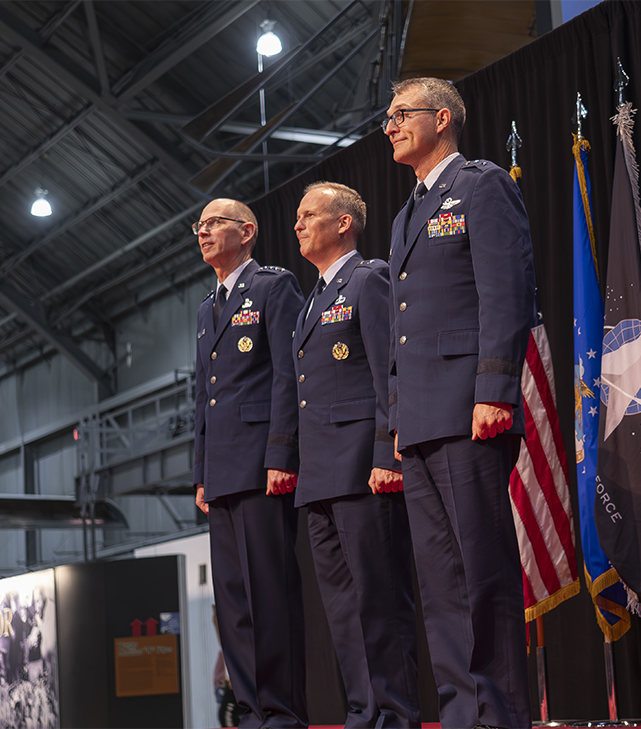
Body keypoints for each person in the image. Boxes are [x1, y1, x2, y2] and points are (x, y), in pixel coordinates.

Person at [384, 77, 536, 728]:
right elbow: (402, 328)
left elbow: (507, 292)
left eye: (400, 114)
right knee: (441, 586)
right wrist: (395, 419)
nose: (388, 125)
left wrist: (495, 386)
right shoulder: (405, 215)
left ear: (440, 118)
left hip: (469, 409)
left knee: (482, 576)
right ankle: (461, 714)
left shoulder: (480, 185)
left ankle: (498, 716)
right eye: (386, 117)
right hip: (418, 421)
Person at [291, 182, 420, 728]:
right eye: (296, 217)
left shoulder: (368, 281)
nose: (298, 225)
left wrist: (386, 454)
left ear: (343, 223)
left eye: (309, 215)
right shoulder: (313, 299)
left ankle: (394, 713)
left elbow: (387, 371)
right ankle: (363, 712)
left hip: (364, 470)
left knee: (380, 599)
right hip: (320, 475)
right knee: (342, 609)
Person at [193, 198, 308, 729]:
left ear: (247, 231)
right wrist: (200, 473)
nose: (203, 231)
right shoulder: (206, 307)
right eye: (199, 226)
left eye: (214, 223)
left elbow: (289, 375)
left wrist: (282, 452)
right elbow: (204, 398)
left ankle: (282, 712)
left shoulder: (271, 286)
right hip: (221, 473)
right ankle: (252, 712)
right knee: (233, 603)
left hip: (264, 465)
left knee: (268, 594)